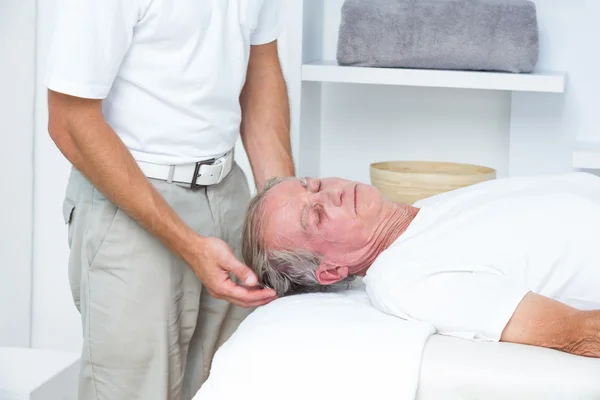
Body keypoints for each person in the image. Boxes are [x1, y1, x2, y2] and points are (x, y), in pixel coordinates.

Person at [46, 1, 293, 399]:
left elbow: (260, 69)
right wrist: (189, 245)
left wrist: (283, 209)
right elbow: (69, 122)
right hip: (130, 204)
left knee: (229, 382)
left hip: (229, 193)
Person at [242, 172, 600, 358]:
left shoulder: (427, 210)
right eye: (318, 215)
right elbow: (580, 335)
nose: (331, 192)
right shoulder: (405, 280)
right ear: (332, 271)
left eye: (314, 184)